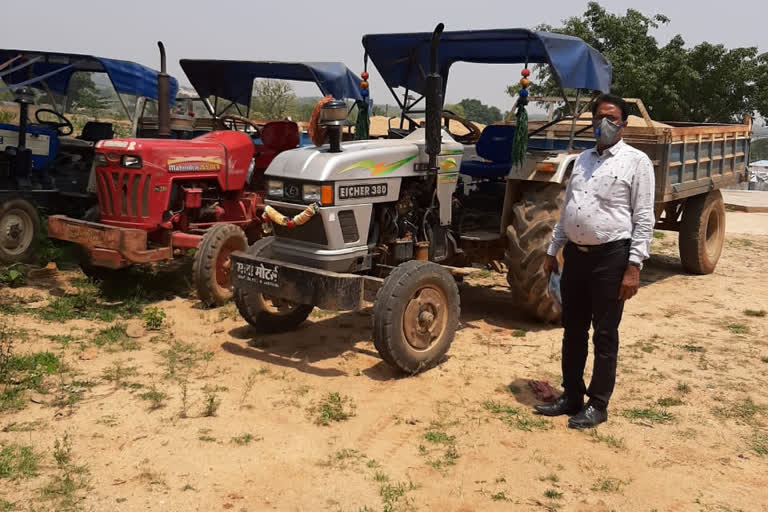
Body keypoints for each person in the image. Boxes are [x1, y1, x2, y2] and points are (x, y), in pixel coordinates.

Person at [534, 94, 655, 429]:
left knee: (604, 334)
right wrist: (552, 249)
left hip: (611, 259)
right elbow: (568, 209)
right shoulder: (582, 159)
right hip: (575, 256)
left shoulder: (636, 162)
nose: (605, 123)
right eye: (599, 117)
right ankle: (571, 395)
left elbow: (644, 218)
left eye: (612, 117)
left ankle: (597, 404)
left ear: (624, 124)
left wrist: (634, 266)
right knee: (572, 331)